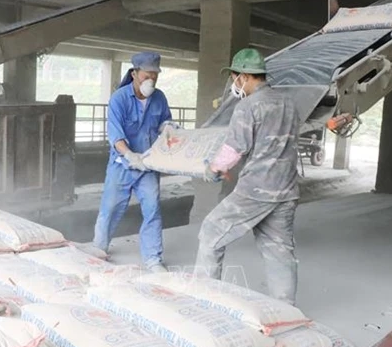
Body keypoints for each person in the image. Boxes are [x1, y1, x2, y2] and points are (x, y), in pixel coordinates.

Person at [194, 48, 301, 305]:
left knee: (211, 231)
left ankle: (202, 299)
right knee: (279, 250)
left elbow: (234, 148)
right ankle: (285, 309)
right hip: (286, 189)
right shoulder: (288, 102)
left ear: (243, 76)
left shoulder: (248, 106)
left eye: (234, 77)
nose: (234, 83)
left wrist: (215, 169)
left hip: (257, 189)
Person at [90, 52, 178, 273]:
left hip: (148, 166)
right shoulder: (119, 99)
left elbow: (164, 121)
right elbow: (116, 136)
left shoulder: (159, 98)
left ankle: (153, 259)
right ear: (134, 73)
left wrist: (167, 127)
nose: (152, 79)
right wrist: (130, 156)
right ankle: (100, 249)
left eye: (155, 75)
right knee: (109, 209)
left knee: (152, 210)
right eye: (147, 75)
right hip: (122, 165)